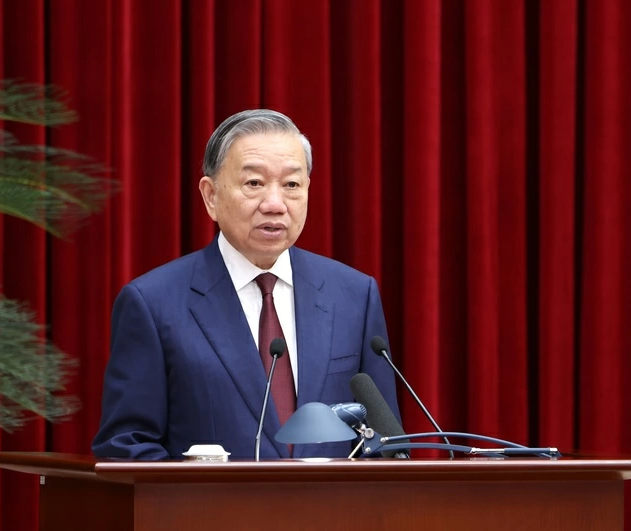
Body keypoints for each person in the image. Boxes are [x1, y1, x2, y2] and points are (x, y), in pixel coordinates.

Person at [92, 109, 401, 459]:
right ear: (211, 196)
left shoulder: (354, 296)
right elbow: (127, 447)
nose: (275, 204)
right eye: (254, 183)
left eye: (291, 185)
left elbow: (385, 446)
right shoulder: (152, 303)